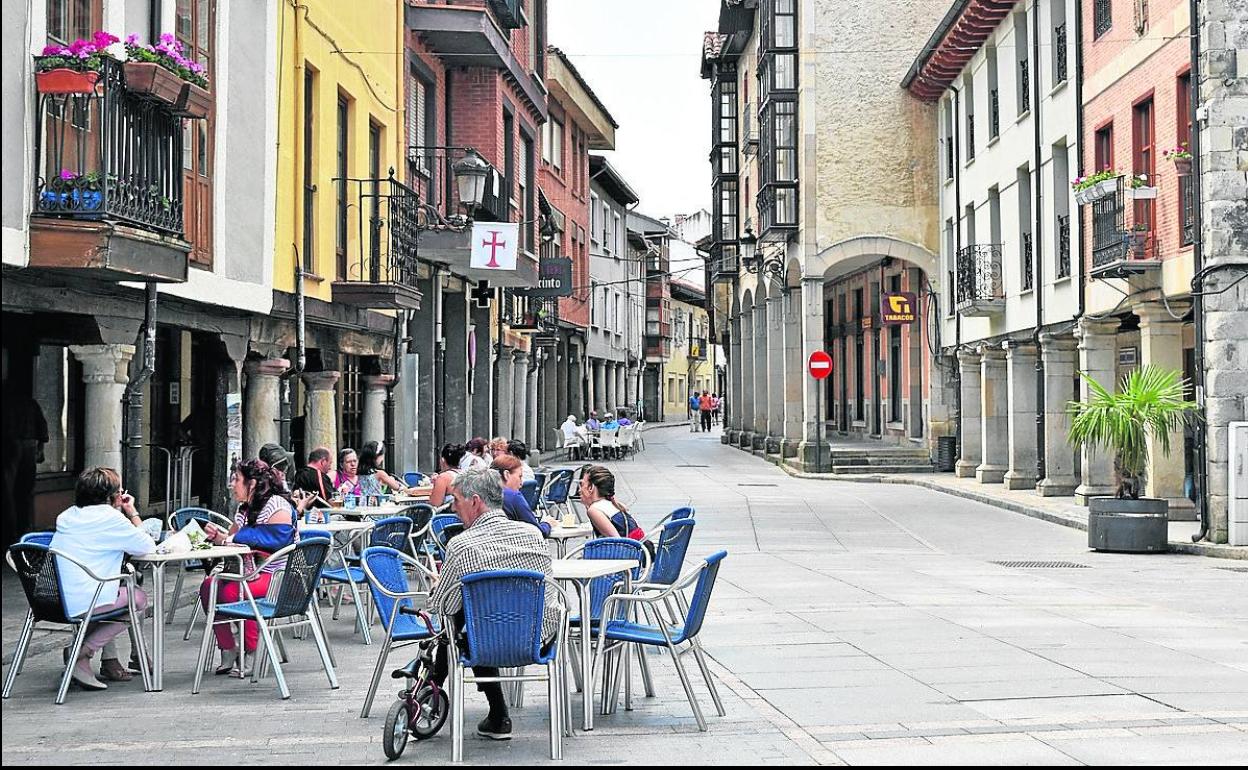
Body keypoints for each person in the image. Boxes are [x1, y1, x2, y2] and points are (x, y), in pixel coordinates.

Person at [428, 468, 560, 740]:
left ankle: (441, 696)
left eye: (456, 500)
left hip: (487, 641)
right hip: (539, 637)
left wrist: (437, 586)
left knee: (464, 621)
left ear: (475, 501)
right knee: (480, 614)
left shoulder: (461, 545)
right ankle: (497, 715)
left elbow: (443, 606)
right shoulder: (533, 534)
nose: (452, 509)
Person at [49, 467, 156, 690]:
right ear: (111, 496)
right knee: (138, 599)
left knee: (114, 594)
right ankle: (82, 652)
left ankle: (82, 657)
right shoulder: (112, 518)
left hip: (53, 600)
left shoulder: (66, 516)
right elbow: (148, 545)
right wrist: (132, 511)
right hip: (85, 602)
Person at [200, 459, 297, 676]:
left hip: (279, 576)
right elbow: (231, 538)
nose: (232, 484)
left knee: (232, 591)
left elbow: (277, 539)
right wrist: (218, 537)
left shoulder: (277, 505)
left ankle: (253, 650)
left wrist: (234, 537)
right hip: (250, 573)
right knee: (208, 587)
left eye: (236, 479)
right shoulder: (244, 509)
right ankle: (228, 648)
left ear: (251, 483)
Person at [491, 455, 556, 536]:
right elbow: (538, 531)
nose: (521, 483)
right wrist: (547, 524)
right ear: (506, 474)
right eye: (520, 477)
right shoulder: (512, 496)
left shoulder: (482, 494)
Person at [579, 465, 645, 541]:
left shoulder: (594, 510)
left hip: (629, 551)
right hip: (640, 549)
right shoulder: (611, 503)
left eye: (582, 485)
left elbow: (617, 542)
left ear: (591, 488)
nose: (579, 490)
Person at [429, 443, 466, 507]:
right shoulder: (465, 474)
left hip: (447, 515)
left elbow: (434, 504)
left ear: (443, 460)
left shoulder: (443, 478)